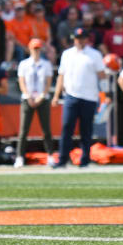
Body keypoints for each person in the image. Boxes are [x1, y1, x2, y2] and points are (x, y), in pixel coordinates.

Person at [51, 27, 106, 168]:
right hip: (71, 95)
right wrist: (56, 95)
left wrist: (106, 93)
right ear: (74, 39)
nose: (80, 41)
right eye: (77, 38)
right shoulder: (67, 54)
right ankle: (63, 159)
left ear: (87, 39)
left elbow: (102, 75)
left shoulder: (95, 55)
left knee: (86, 130)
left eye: (82, 38)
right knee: (66, 127)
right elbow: (61, 76)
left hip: (89, 97)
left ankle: (85, 159)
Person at [15, 39, 55, 168]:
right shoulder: (24, 64)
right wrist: (28, 96)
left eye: (38, 48)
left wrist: (42, 96)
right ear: (29, 49)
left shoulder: (46, 64)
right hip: (28, 98)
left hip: (42, 99)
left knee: (46, 129)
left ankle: (50, 155)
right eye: (34, 48)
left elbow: (48, 82)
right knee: (23, 130)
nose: (36, 51)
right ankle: (20, 157)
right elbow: (22, 82)